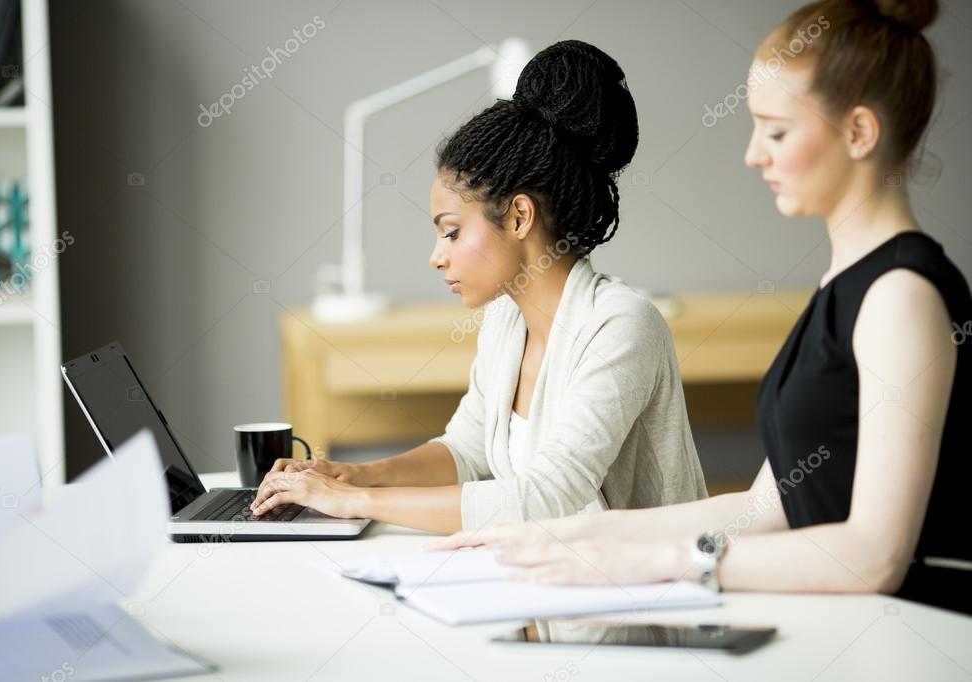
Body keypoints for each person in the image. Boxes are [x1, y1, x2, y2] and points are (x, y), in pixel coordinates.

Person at [433, 0, 972, 615]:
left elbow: (876, 555)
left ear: (858, 132)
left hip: (923, 631)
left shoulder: (902, 296)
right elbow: (768, 508)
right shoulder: (847, 289)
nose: (753, 154)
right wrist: (570, 535)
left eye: (776, 130)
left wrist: (664, 561)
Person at [250, 40, 707, 533]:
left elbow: (548, 494)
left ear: (518, 216)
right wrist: (356, 474)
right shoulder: (506, 319)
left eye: (451, 231)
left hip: (637, 604)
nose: (436, 256)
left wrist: (356, 501)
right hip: (541, 589)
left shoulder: (620, 325)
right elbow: (466, 451)